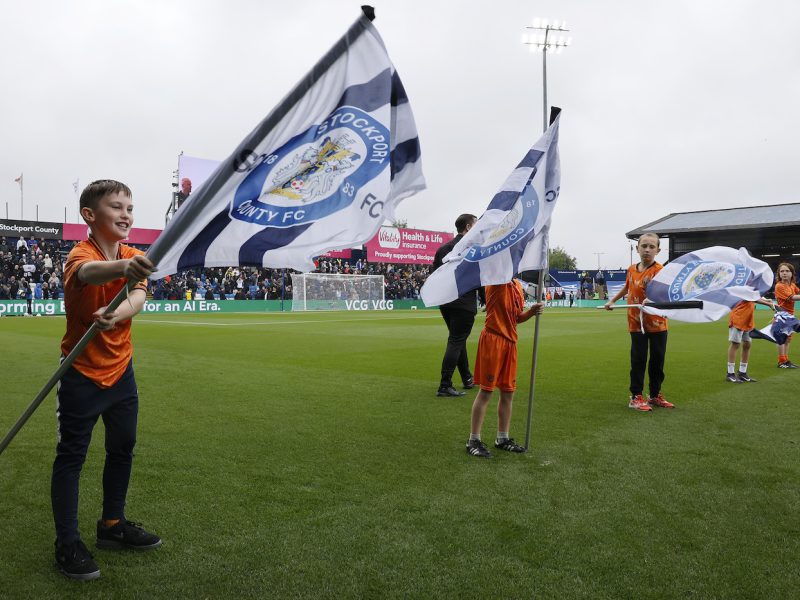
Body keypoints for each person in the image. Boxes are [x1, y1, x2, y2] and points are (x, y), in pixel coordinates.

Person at [52, 180, 161, 581]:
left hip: (122, 371)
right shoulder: (80, 254)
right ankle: (67, 542)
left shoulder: (135, 254)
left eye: (130, 207)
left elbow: (138, 296)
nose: (126, 214)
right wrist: (122, 267)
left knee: (123, 447)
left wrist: (119, 313)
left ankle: (112, 526)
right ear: (89, 215)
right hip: (80, 372)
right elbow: (90, 274)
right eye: (116, 207)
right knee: (71, 458)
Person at [466, 280, 543, 458]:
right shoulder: (495, 281)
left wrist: (531, 312)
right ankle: (473, 439)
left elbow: (516, 317)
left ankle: (502, 438)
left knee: (508, 392)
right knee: (486, 392)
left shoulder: (516, 285)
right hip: (493, 340)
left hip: (510, 342)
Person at [604, 232, 675, 412]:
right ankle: (636, 396)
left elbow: (666, 293)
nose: (647, 250)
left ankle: (654, 395)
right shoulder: (631, 269)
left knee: (657, 361)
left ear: (658, 250)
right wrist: (612, 300)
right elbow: (627, 287)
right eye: (644, 246)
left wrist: (654, 300)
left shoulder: (660, 271)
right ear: (637, 248)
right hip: (636, 323)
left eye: (652, 247)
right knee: (638, 360)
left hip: (658, 323)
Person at [431, 213, 480, 397]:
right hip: (464, 302)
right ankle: (445, 385)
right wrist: (485, 298)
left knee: (458, 339)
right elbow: (478, 276)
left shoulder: (443, 249)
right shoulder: (472, 248)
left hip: (446, 301)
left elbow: (434, 274)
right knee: (456, 340)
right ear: (468, 227)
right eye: (475, 225)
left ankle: (467, 378)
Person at [727, 298, 775, 382]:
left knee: (747, 344)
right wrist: (768, 303)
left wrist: (766, 299)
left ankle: (742, 372)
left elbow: (754, 295)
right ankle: (730, 373)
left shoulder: (750, 287)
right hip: (738, 317)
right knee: (735, 344)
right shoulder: (742, 287)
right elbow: (751, 297)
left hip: (748, 319)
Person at [775, 262, 800, 368]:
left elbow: (798, 293)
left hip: (790, 315)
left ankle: (785, 360)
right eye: (782, 271)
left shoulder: (792, 285)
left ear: (792, 273)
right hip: (782, 315)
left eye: (787, 271)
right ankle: (781, 361)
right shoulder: (779, 286)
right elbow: (793, 297)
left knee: (788, 338)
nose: (784, 273)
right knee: (782, 338)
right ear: (779, 274)